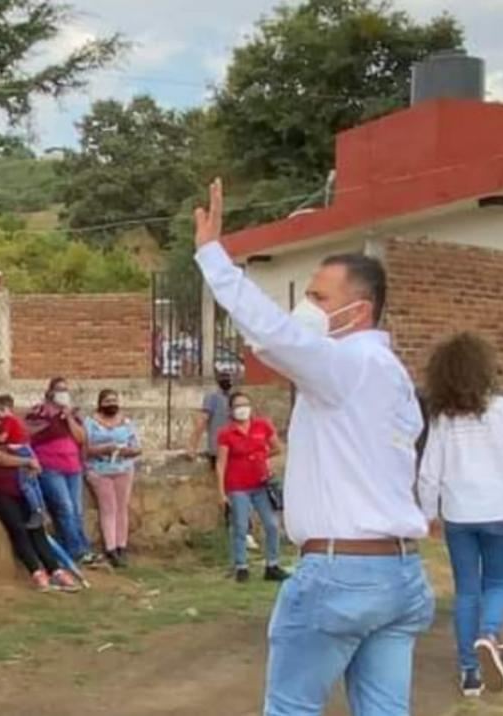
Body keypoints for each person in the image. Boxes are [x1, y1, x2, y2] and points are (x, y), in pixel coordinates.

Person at [194, 178, 433, 715]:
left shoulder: (348, 364)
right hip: (399, 573)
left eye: (319, 297)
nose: (307, 307)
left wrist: (213, 258)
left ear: (360, 311)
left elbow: (275, 337)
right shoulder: (390, 376)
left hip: (339, 571)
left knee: (291, 708)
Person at [417, 333, 503, 698]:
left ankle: (470, 673)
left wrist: (429, 513)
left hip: (458, 515)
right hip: (500, 512)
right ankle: (489, 634)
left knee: (467, 591)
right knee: (498, 584)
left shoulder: (442, 419)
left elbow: (428, 472)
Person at [0, 401, 81, 593]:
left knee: (36, 527)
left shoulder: (3, 437)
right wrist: (26, 461)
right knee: (18, 528)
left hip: (20, 489)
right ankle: (36, 572)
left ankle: (56, 570)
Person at [215, 392, 287, 584]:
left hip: (261, 483)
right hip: (237, 485)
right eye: (238, 405)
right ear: (231, 410)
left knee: (272, 524)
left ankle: (272, 564)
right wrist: (221, 492)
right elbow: (221, 464)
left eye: (246, 404)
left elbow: (277, 448)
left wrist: (262, 457)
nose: (243, 409)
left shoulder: (262, 425)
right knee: (240, 525)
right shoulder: (226, 433)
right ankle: (241, 566)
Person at [25, 378, 92, 563]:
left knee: (76, 510)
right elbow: (32, 432)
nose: (63, 393)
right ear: (50, 392)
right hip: (50, 467)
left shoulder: (72, 414)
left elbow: (81, 438)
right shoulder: (39, 411)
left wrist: (68, 417)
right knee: (65, 507)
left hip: (73, 467)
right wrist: (55, 417)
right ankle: (77, 550)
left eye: (65, 390)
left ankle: (78, 548)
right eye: (59, 389)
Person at [83, 389, 141, 569]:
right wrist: (104, 449)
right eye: (107, 401)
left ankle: (121, 546)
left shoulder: (126, 422)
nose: (111, 404)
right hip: (99, 470)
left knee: (121, 508)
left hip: (123, 467)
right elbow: (85, 448)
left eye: (114, 400)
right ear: (100, 403)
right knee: (108, 508)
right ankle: (110, 548)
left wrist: (126, 451)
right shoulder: (90, 423)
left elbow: (137, 447)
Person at [0, 395, 46, 528]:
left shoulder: (8, 421)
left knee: (25, 485)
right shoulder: (16, 420)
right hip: (26, 449)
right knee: (33, 483)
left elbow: (2, 438)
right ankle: (41, 508)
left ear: (5, 409)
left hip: (20, 452)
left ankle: (36, 511)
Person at [190, 372, 235, 468]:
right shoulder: (212, 397)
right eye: (225, 379)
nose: (227, 381)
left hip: (234, 449)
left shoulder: (233, 397)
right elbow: (202, 421)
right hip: (218, 449)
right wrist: (193, 447)